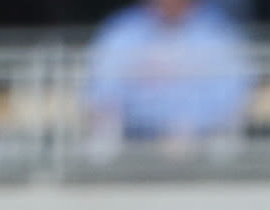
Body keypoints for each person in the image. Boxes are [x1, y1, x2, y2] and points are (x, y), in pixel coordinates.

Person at [81, 0, 255, 155]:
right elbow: (103, 91)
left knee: (224, 145)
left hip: (202, 142)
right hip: (134, 142)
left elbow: (235, 92)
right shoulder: (123, 30)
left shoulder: (218, 31)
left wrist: (188, 128)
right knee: (102, 146)